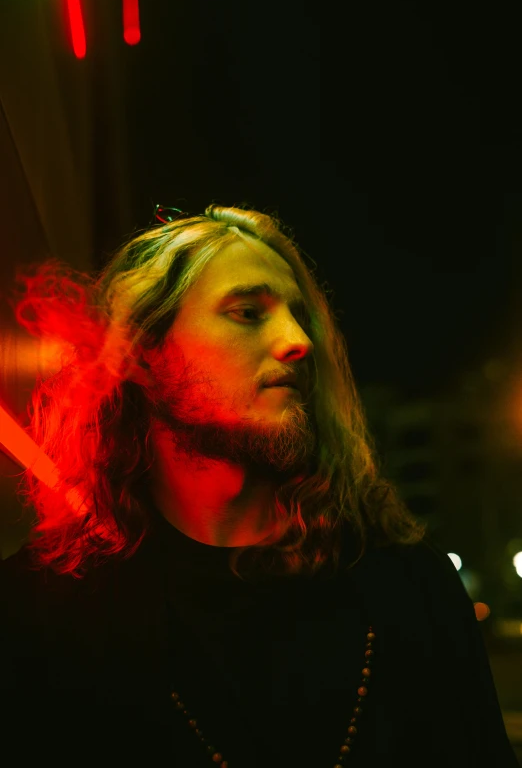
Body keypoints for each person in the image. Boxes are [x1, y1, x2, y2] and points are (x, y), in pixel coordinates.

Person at [0, 204, 518, 768]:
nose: (299, 341)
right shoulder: (39, 615)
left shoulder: (409, 586)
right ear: (141, 358)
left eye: (302, 317)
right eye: (248, 312)